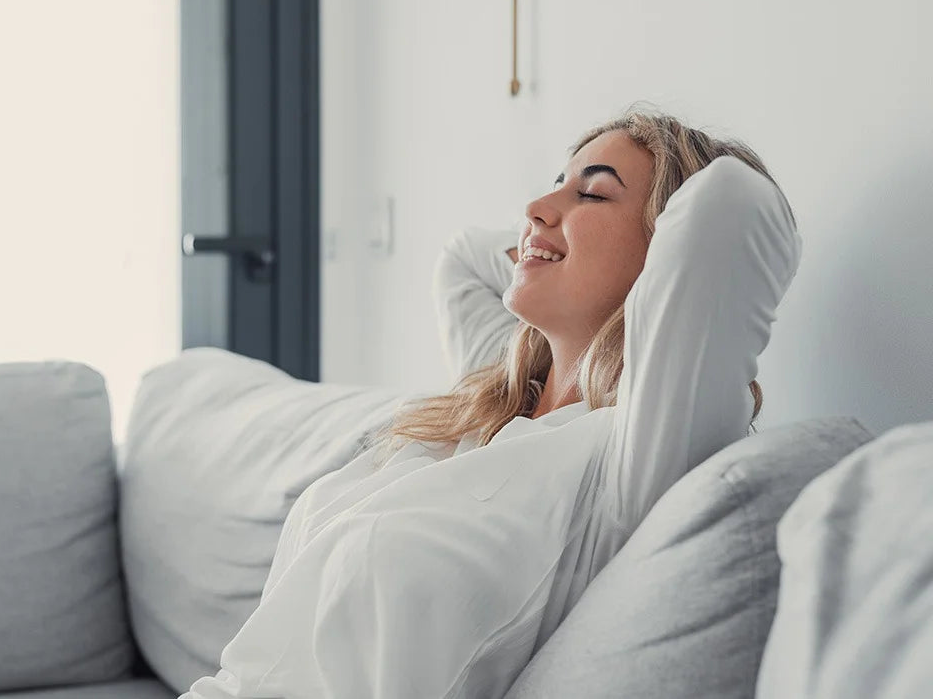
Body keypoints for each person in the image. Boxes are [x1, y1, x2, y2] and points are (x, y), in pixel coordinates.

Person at [180, 108, 803, 699]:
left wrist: (618, 239)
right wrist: (551, 237)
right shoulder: (493, 405)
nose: (535, 208)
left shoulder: (635, 452)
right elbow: (462, 261)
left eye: (592, 193)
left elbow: (732, 204)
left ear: (665, 252)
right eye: (554, 183)